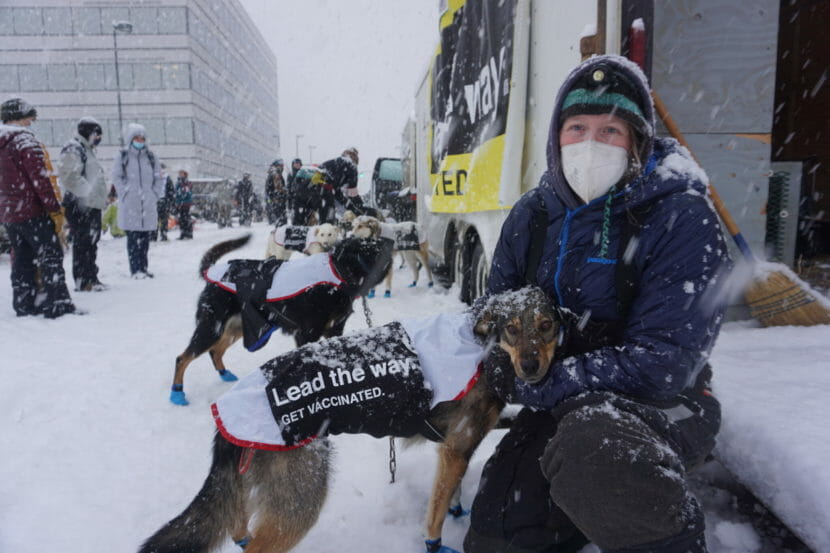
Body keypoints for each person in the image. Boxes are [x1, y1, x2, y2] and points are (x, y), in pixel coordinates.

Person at [462, 55, 733, 553]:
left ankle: (663, 530)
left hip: (664, 404)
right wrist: (503, 364)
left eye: (610, 130)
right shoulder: (533, 215)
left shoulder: (681, 217)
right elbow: (491, 311)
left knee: (596, 454)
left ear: (637, 140)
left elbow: (664, 364)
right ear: (555, 137)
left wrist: (542, 383)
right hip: (562, 401)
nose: (590, 143)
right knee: (498, 536)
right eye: (577, 127)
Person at [0, 98, 78, 318]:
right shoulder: (24, 141)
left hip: (9, 213)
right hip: (33, 211)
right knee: (50, 257)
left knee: (22, 260)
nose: (32, 122)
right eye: (30, 117)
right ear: (20, 116)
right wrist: (53, 209)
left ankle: (24, 304)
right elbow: (40, 180)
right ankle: (58, 304)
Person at [58, 117, 109, 292]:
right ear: (89, 133)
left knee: (91, 242)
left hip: (90, 205)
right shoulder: (74, 148)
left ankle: (91, 277)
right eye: (97, 135)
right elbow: (69, 176)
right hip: (80, 205)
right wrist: (89, 193)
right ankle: (83, 280)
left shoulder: (87, 149)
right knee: (83, 243)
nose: (99, 139)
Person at [111, 123, 164, 278]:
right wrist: (124, 193)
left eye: (142, 138)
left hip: (147, 202)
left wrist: (154, 193)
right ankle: (135, 269)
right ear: (131, 139)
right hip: (131, 203)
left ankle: (144, 268)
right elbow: (116, 177)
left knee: (145, 240)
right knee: (133, 239)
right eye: (137, 138)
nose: (140, 141)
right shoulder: (123, 156)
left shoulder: (151, 157)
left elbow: (158, 177)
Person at [315, 147, 360, 223]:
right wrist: (357, 209)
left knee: (323, 215)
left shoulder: (333, 162)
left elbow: (336, 190)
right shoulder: (351, 166)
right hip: (325, 190)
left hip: (315, 190)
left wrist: (347, 204)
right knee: (329, 215)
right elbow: (353, 193)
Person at [265, 158, 288, 226]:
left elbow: (269, 189)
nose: (282, 167)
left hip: (275, 201)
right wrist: (285, 192)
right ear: (277, 165)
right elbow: (279, 188)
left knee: (279, 222)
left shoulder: (272, 173)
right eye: (281, 165)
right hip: (278, 201)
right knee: (281, 223)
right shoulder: (276, 174)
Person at [156, 163, 175, 241]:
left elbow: (171, 191)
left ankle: (164, 234)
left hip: (164, 201)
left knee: (164, 219)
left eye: (162, 169)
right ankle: (153, 235)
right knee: (154, 219)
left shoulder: (167, 178)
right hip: (155, 201)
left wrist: (170, 201)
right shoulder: (154, 178)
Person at [174, 169, 194, 239]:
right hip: (180, 203)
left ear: (185, 174)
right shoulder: (178, 183)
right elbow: (176, 192)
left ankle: (189, 233)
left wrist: (181, 192)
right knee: (181, 219)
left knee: (186, 218)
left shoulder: (187, 182)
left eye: (181, 173)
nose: (180, 174)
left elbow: (187, 192)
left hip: (186, 203)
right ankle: (183, 233)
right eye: (179, 173)